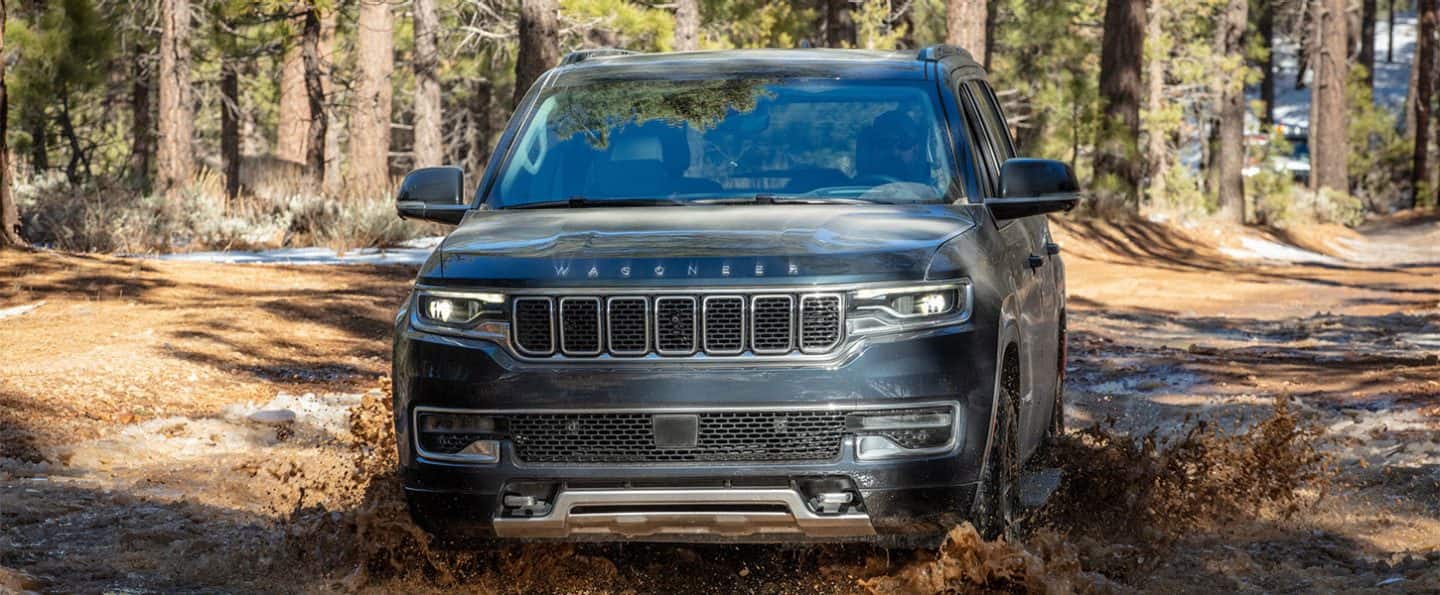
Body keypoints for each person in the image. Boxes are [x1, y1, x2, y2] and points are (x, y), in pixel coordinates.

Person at [857, 110, 930, 184]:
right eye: (884, 143)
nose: (895, 152)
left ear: (917, 148)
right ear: (872, 149)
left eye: (904, 143)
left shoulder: (934, 189)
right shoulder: (851, 189)